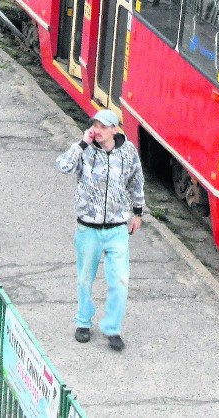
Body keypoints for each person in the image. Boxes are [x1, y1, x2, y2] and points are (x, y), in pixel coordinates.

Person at [56, 109, 145, 352]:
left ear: (115, 129)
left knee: (120, 280)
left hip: (117, 228)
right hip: (88, 227)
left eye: (103, 126)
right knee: (85, 278)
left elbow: (136, 181)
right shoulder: (85, 152)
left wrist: (137, 213)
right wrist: (82, 143)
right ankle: (83, 321)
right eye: (95, 125)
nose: (98, 130)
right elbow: (63, 165)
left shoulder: (128, 152)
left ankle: (112, 328)